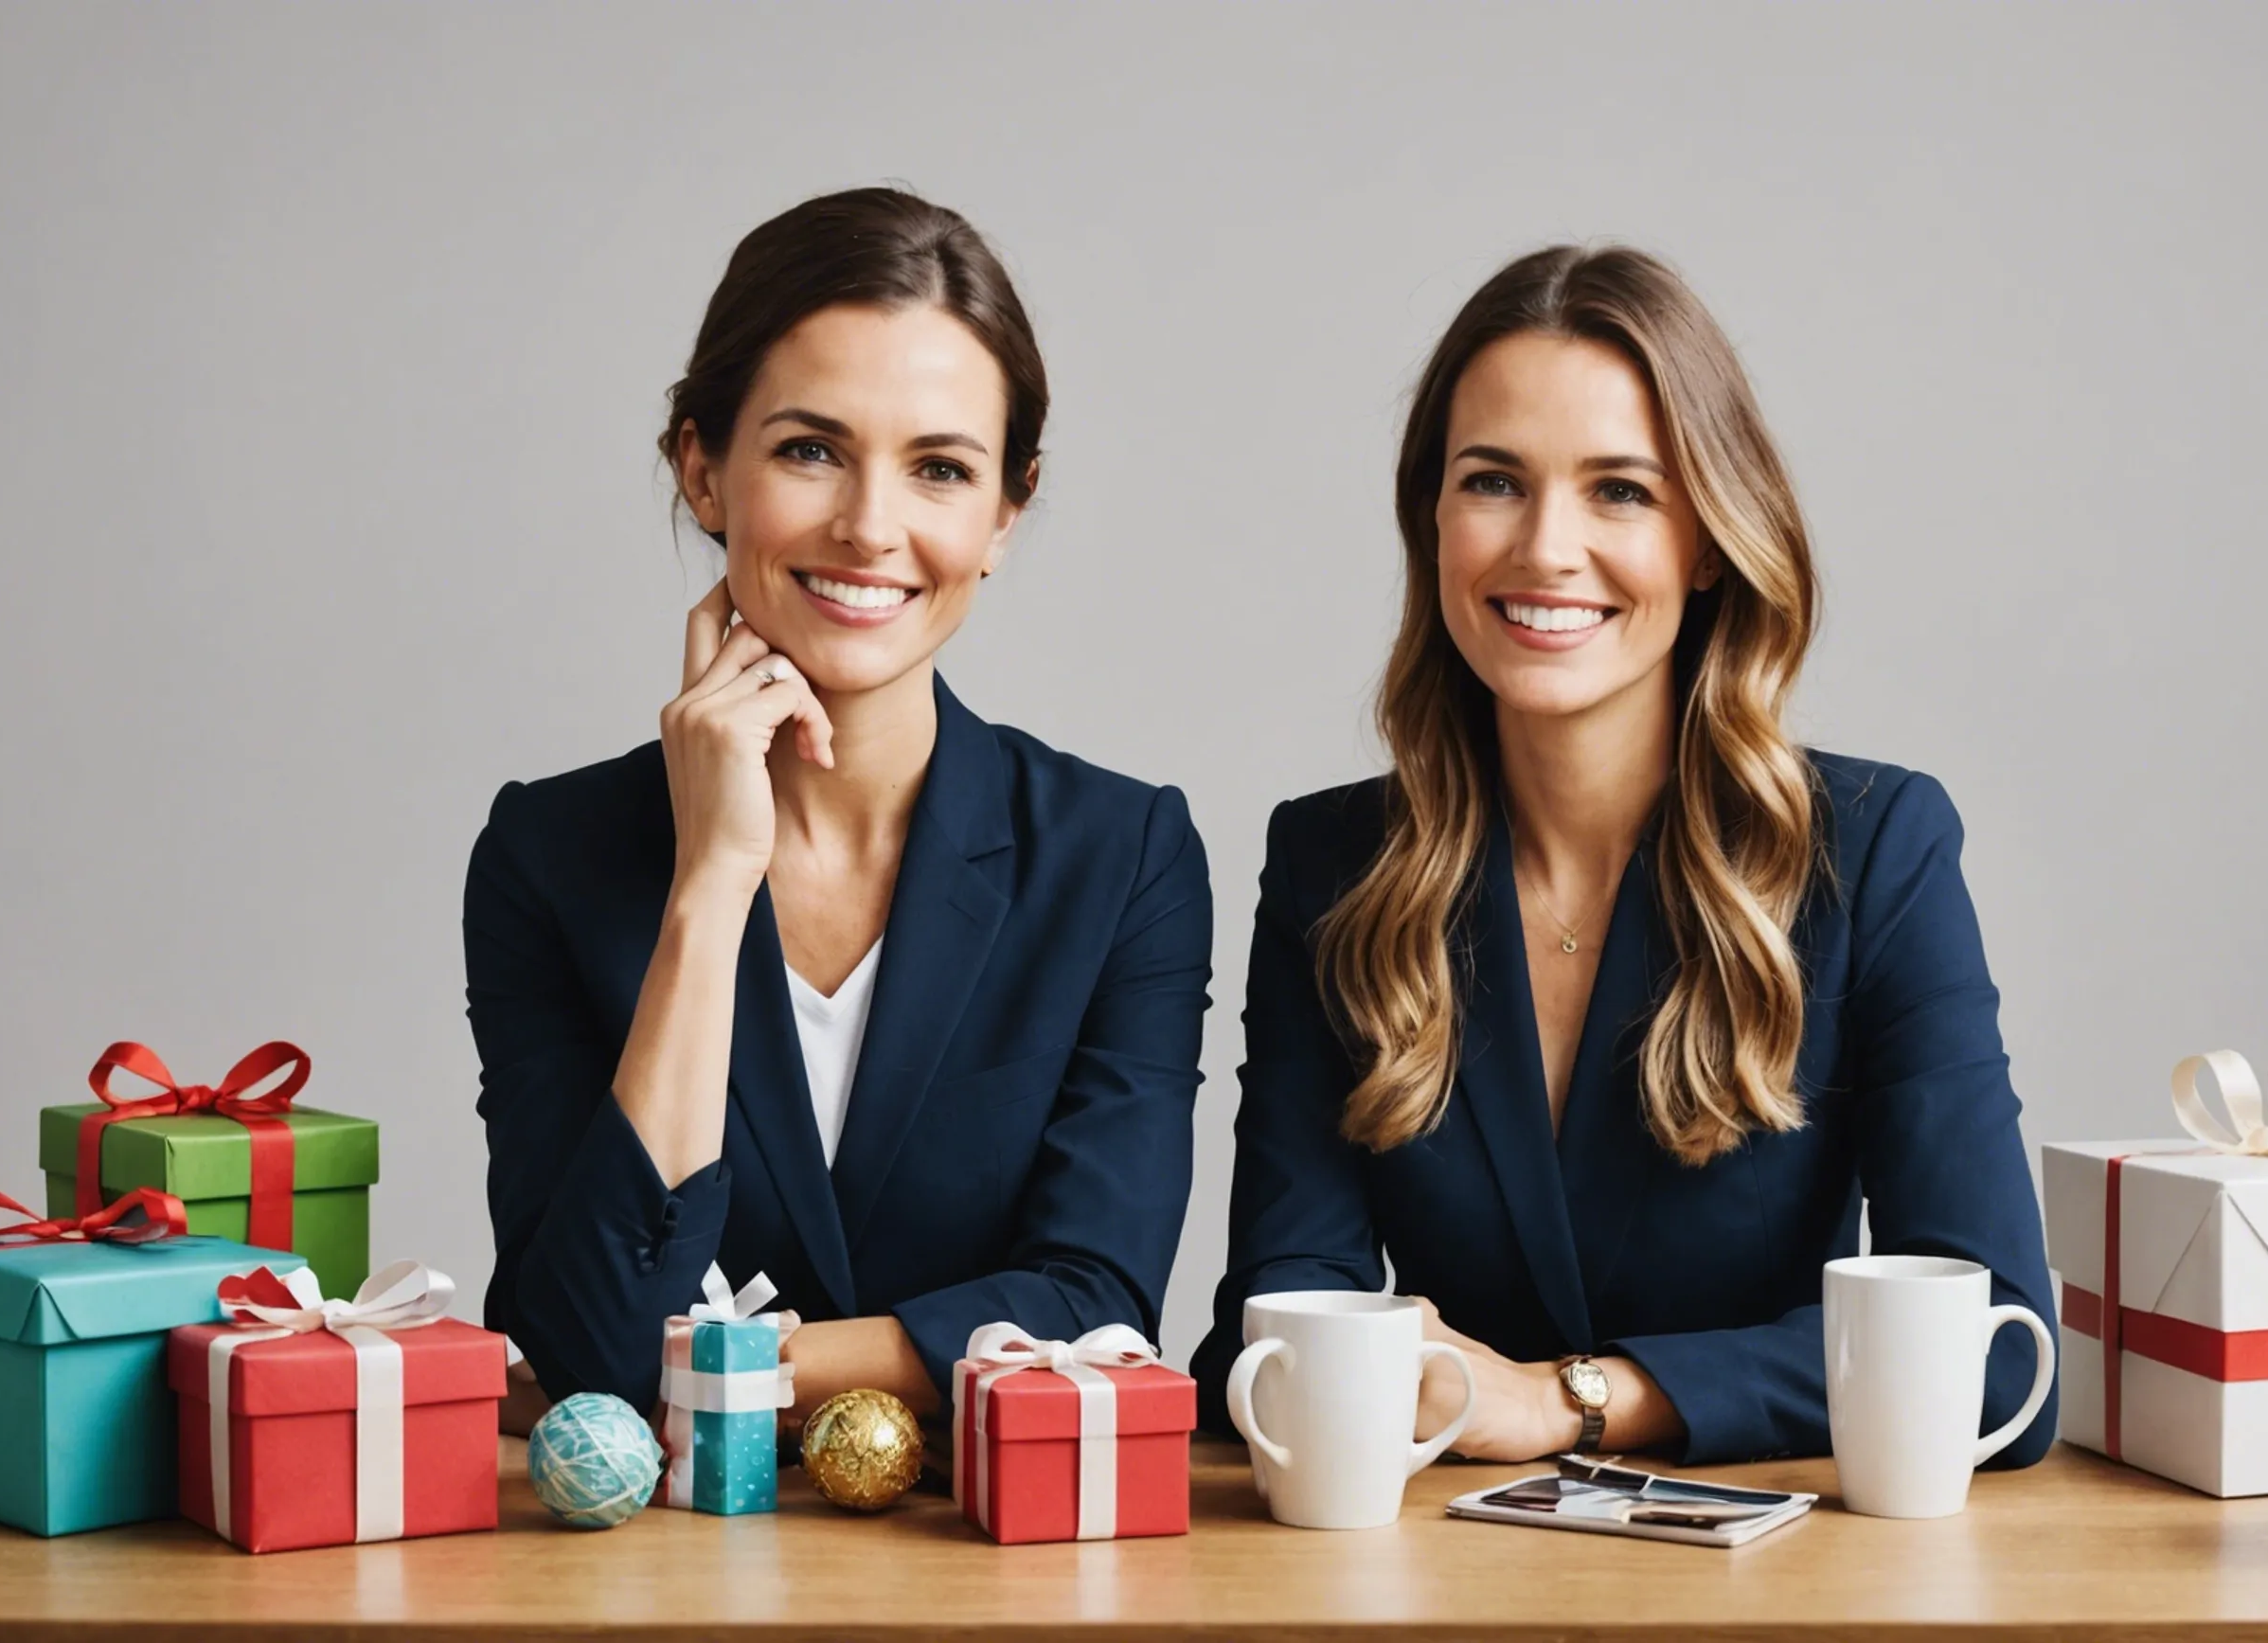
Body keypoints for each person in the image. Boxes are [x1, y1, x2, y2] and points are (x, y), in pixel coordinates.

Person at [1193, 243, 2057, 1467]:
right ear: (1430, 517)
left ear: (1707, 538)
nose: (1546, 548)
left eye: (1621, 492)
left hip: (1789, 1590)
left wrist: (1571, 1398)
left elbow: (1997, 1351)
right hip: (1430, 1574)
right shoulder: (1334, 863)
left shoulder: (1876, 852)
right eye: (1493, 481)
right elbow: (1276, 1318)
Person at [468, 188, 1211, 1421]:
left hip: (999, 1565)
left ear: (1004, 515)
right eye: (811, 450)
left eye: (939, 469)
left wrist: (716, 1368)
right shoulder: (549, 858)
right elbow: (586, 1332)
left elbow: (1095, 1303)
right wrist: (709, 884)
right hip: (648, 1583)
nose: (871, 527)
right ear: (703, 468)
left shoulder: (1119, 857)